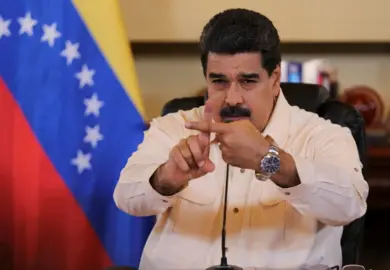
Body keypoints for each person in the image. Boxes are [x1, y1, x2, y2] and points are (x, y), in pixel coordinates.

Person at [113, 8, 369, 270]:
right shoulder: (175, 127)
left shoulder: (324, 133)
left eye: (247, 81)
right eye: (219, 82)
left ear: (274, 79)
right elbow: (126, 197)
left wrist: (270, 161)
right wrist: (168, 176)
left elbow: (350, 205)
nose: (232, 98)